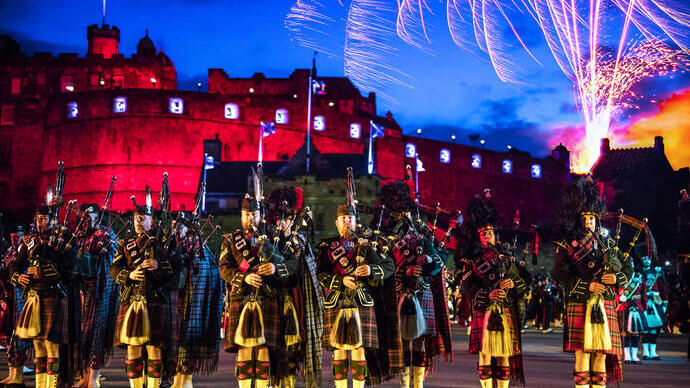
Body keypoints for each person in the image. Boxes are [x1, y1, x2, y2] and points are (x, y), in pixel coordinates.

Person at [553, 176, 631, 388]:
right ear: (579, 220)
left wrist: (616, 278)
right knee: (583, 355)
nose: (588, 223)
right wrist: (588, 285)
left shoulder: (609, 242)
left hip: (605, 303)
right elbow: (560, 274)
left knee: (601, 355)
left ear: (597, 219)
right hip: (581, 300)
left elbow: (628, 267)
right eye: (585, 219)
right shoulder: (568, 243)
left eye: (592, 219)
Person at [373, 180, 450, 388]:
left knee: (421, 340)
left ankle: (418, 385)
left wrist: (428, 262)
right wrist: (403, 271)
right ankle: (405, 385)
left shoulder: (422, 233)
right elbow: (382, 265)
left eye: (406, 211)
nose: (404, 215)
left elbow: (441, 257)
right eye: (400, 212)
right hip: (397, 292)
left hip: (421, 289)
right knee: (402, 341)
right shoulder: (384, 237)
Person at [316, 200, 395, 388]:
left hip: (362, 300)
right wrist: (340, 281)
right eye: (343, 219)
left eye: (350, 218)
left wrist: (370, 269)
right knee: (340, 351)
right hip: (336, 301)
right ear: (336, 222)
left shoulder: (366, 246)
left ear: (355, 222)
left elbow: (389, 266)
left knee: (359, 349)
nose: (346, 222)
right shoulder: (327, 246)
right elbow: (319, 273)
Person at [219, 194, 294, 388]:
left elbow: (290, 262)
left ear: (261, 215)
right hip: (241, 298)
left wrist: (275, 268)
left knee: (264, 349)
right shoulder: (230, 240)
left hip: (268, 297)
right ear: (241, 216)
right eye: (247, 214)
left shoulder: (274, 237)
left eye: (254, 214)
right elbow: (224, 269)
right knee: (244, 348)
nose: (250, 218)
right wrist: (244, 277)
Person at [456, 190, 529, 388]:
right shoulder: (472, 259)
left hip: (506, 310)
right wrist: (487, 294)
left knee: (504, 354)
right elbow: (467, 285)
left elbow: (524, 281)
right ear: (478, 237)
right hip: (484, 309)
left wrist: (513, 284)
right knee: (485, 354)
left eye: (490, 232)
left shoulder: (507, 256)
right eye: (483, 233)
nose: (487, 236)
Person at [10, 201, 80, 388]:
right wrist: (19, 277)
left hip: (54, 295)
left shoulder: (64, 237)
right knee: (38, 345)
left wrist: (46, 270)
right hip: (34, 297)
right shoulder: (30, 240)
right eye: (38, 218)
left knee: (52, 345)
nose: (40, 221)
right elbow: (15, 265)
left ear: (52, 218)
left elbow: (70, 267)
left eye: (44, 218)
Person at [110, 190, 175, 388]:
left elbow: (173, 270)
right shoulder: (125, 244)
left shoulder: (163, 243)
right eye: (137, 218)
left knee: (155, 349)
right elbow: (114, 269)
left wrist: (157, 265)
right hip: (132, 300)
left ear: (151, 221)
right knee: (133, 349)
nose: (139, 222)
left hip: (155, 300)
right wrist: (128, 275)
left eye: (143, 218)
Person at [264, 186, 323, 388]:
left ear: (293, 220)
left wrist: (277, 269)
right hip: (269, 302)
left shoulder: (300, 242)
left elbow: (299, 271)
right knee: (270, 353)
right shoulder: (267, 241)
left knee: (290, 351)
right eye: (280, 219)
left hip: (292, 303)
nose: (283, 224)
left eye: (287, 219)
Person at [170, 211, 222, 388]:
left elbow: (209, 276)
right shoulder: (169, 246)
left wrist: (188, 264)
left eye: (180, 225)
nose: (176, 229)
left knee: (187, 349)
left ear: (190, 228)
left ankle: (185, 382)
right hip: (172, 305)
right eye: (174, 225)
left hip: (193, 306)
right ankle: (178, 380)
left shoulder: (201, 250)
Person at [74, 204, 119, 388]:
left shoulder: (106, 235)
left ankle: (94, 378)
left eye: (91, 215)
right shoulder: (79, 236)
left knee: (96, 336)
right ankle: (85, 377)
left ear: (97, 216)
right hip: (82, 291)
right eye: (84, 216)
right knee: (82, 337)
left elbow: (112, 261)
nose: (87, 219)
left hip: (101, 293)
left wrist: (95, 259)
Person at [1, 225, 32, 388]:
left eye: (18, 235)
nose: (15, 238)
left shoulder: (27, 248)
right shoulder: (10, 251)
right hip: (10, 295)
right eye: (13, 235)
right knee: (9, 336)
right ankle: (13, 374)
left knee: (18, 336)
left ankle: (18, 375)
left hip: (22, 295)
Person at [639, 255, 667, 360]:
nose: (647, 260)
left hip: (655, 301)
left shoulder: (657, 271)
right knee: (645, 328)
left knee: (655, 328)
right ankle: (646, 352)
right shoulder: (638, 272)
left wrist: (664, 302)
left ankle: (653, 352)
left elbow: (663, 287)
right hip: (644, 302)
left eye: (648, 258)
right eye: (644, 258)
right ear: (641, 260)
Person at [618, 263, 644, 364]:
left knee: (636, 334)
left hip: (637, 307)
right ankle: (627, 356)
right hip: (625, 307)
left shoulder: (638, 277)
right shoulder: (621, 276)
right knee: (625, 334)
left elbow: (643, 294)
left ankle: (634, 355)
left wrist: (644, 308)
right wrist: (619, 298)